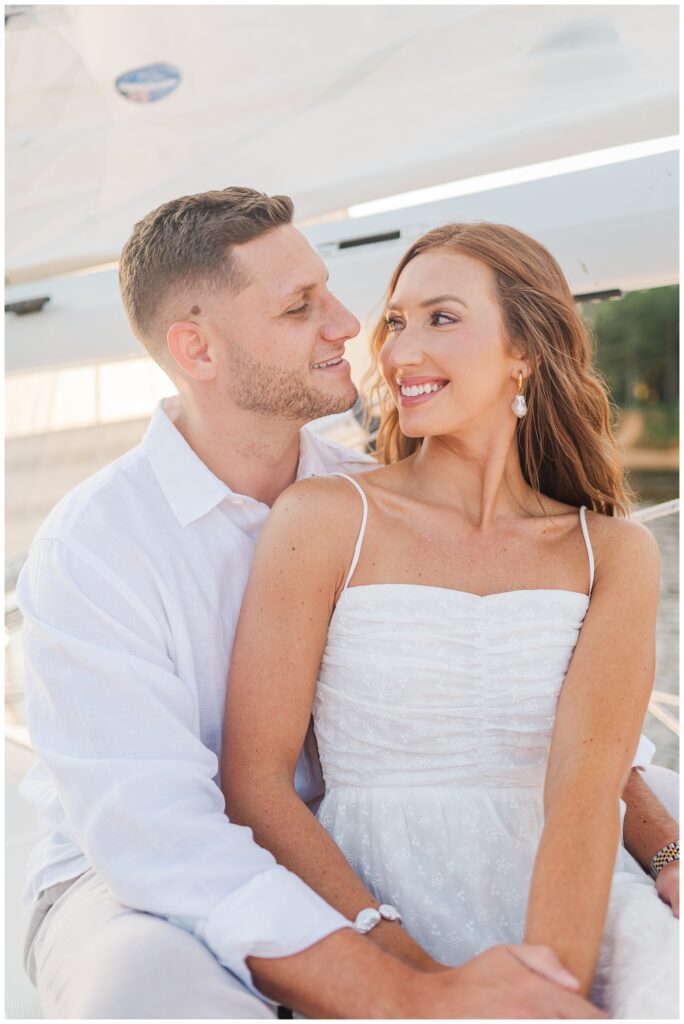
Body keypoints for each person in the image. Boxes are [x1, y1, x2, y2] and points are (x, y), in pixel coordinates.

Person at [18, 189, 613, 1019]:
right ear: (197, 350)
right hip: (135, 886)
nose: (347, 324)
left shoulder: (378, 498)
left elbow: (542, 705)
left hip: (361, 856)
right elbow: (156, 837)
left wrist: (663, 852)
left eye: (327, 291)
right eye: (301, 308)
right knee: (141, 989)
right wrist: (407, 995)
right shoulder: (94, 547)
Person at [222, 222, 679, 1018]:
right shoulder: (327, 518)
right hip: (377, 916)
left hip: (577, 904)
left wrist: (545, 988)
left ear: (524, 351)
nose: (398, 352)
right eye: (396, 322)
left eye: (441, 317)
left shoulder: (614, 552)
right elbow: (255, 784)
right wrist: (418, 981)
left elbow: (584, 786)